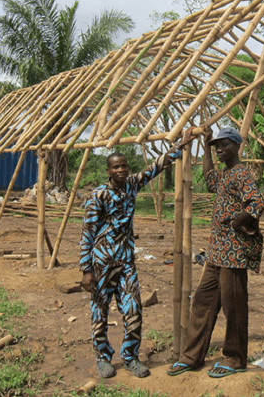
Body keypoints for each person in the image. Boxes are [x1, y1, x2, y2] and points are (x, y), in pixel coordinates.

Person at [80, 130, 195, 379]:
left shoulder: (132, 185)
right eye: (116, 167)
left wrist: (179, 146)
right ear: (108, 171)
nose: (121, 170)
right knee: (99, 312)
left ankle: (130, 357)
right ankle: (102, 358)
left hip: (126, 263)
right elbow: (87, 233)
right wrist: (86, 270)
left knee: (134, 310)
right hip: (101, 264)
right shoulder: (97, 196)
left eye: (124, 166)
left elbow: (156, 167)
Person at [167, 126, 264, 379]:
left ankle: (235, 358)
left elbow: (256, 203)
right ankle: (191, 356)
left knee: (233, 305)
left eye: (224, 145)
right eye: (216, 146)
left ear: (237, 146)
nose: (219, 150)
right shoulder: (225, 174)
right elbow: (209, 176)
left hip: (233, 253)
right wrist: (206, 143)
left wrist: (236, 222)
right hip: (216, 252)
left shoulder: (241, 173)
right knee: (203, 302)